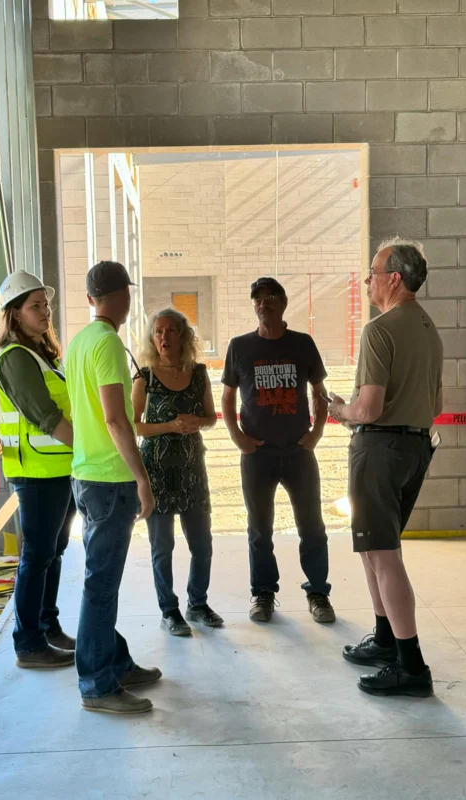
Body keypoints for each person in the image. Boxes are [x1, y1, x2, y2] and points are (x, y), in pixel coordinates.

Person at [328, 237, 443, 698]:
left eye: (374, 274)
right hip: (414, 449)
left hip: (379, 450)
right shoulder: (428, 328)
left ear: (393, 278)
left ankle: (410, 664)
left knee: (384, 555)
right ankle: (384, 638)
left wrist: (342, 410)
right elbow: (436, 403)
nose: (368, 281)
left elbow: (370, 408)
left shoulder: (380, 329)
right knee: (376, 549)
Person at [65, 260, 161, 715]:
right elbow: (115, 418)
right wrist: (142, 478)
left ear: (90, 299)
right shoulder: (105, 344)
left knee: (101, 582)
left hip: (87, 474)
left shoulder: (80, 341)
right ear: (123, 296)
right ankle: (98, 686)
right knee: (100, 586)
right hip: (110, 479)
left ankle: (114, 662)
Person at [222, 277, 335, 624]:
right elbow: (226, 397)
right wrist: (237, 437)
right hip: (257, 455)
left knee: (312, 527)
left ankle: (318, 593)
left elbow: (320, 391)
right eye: (257, 299)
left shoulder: (302, 344)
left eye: (270, 298)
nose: (263, 304)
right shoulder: (239, 347)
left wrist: (316, 432)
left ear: (284, 303)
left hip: (298, 453)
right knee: (259, 530)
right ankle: (264, 594)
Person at [0, 271, 76, 669]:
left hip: (58, 470)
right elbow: (45, 417)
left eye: (47, 304)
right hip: (37, 474)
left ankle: (47, 625)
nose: (46, 311)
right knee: (37, 555)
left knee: (52, 553)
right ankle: (28, 644)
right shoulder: (15, 359)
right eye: (36, 306)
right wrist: (94, 448)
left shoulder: (43, 356)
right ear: (14, 314)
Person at [131, 308, 222, 636]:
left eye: (171, 331)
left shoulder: (198, 374)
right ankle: (169, 610)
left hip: (192, 470)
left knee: (202, 543)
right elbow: (134, 426)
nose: (164, 337)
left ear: (183, 336)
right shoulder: (145, 376)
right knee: (162, 546)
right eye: (158, 332)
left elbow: (212, 416)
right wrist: (169, 425)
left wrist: (199, 423)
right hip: (156, 471)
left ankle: (197, 603)